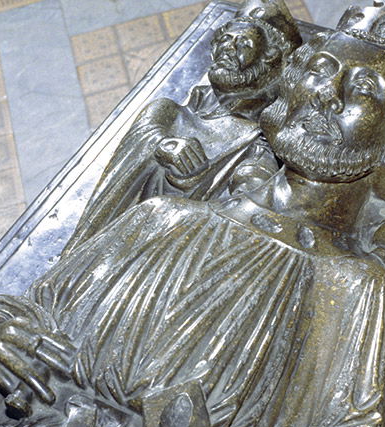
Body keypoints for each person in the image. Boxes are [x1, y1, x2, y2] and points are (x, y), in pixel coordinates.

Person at [0, 1, 385, 427]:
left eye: (364, 90)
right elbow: (30, 312)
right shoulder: (162, 218)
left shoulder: (355, 285)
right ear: (289, 85)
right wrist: (3, 339)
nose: (328, 96)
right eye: (320, 71)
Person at [66, 0, 302, 250]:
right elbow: (143, 144)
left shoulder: (255, 141)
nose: (228, 49)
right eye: (225, 40)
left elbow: (252, 187)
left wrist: (248, 189)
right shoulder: (166, 112)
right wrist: (163, 146)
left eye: (243, 43)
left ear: (267, 58)